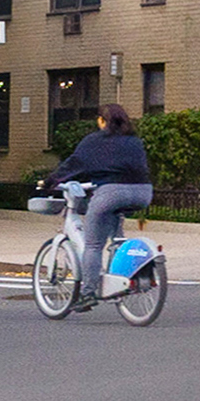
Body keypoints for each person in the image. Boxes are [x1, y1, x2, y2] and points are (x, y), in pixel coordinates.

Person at [54, 105, 160, 294]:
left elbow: (73, 164)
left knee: (93, 245)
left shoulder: (94, 141)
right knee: (115, 228)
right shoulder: (134, 141)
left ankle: (89, 292)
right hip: (143, 192)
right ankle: (121, 259)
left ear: (102, 121)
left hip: (111, 192)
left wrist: (49, 182)